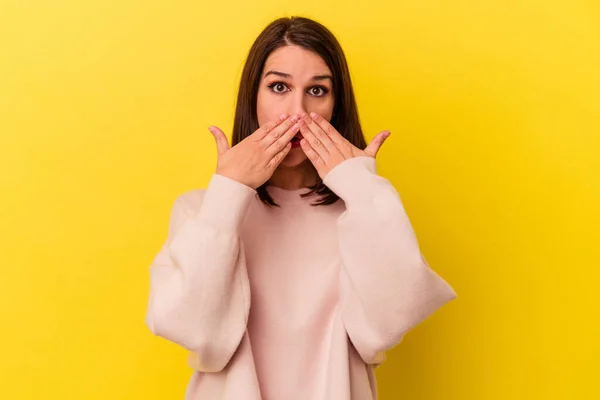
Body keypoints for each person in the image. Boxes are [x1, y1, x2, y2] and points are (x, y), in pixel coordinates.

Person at [144, 15, 457, 400]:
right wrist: (227, 193)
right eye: (278, 87)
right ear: (253, 97)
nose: (297, 112)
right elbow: (194, 332)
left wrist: (364, 192)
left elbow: (385, 329)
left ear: (336, 105)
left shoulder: (360, 214)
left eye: (317, 91)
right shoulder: (201, 211)